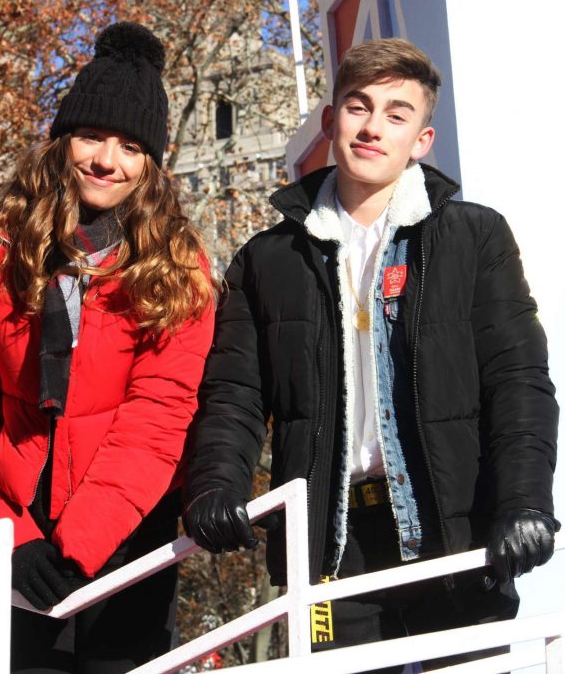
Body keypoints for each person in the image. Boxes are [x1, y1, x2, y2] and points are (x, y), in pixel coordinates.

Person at [182, 38, 559, 671]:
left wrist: (525, 501)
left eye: (396, 113)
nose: (372, 127)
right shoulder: (267, 259)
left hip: (454, 531)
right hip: (330, 543)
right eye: (358, 107)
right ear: (331, 122)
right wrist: (215, 484)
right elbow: (235, 395)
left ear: (422, 139)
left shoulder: (475, 237)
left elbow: (518, 380)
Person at [0, 21, 216, 673]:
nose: (107, 160)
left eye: (131, 145)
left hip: (129, 535)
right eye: (92, 135)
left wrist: (79, 545)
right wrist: (10, 540)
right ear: (62, 140)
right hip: (13, 525)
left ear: (152, 164)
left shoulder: (176, 268)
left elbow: (159, 419)